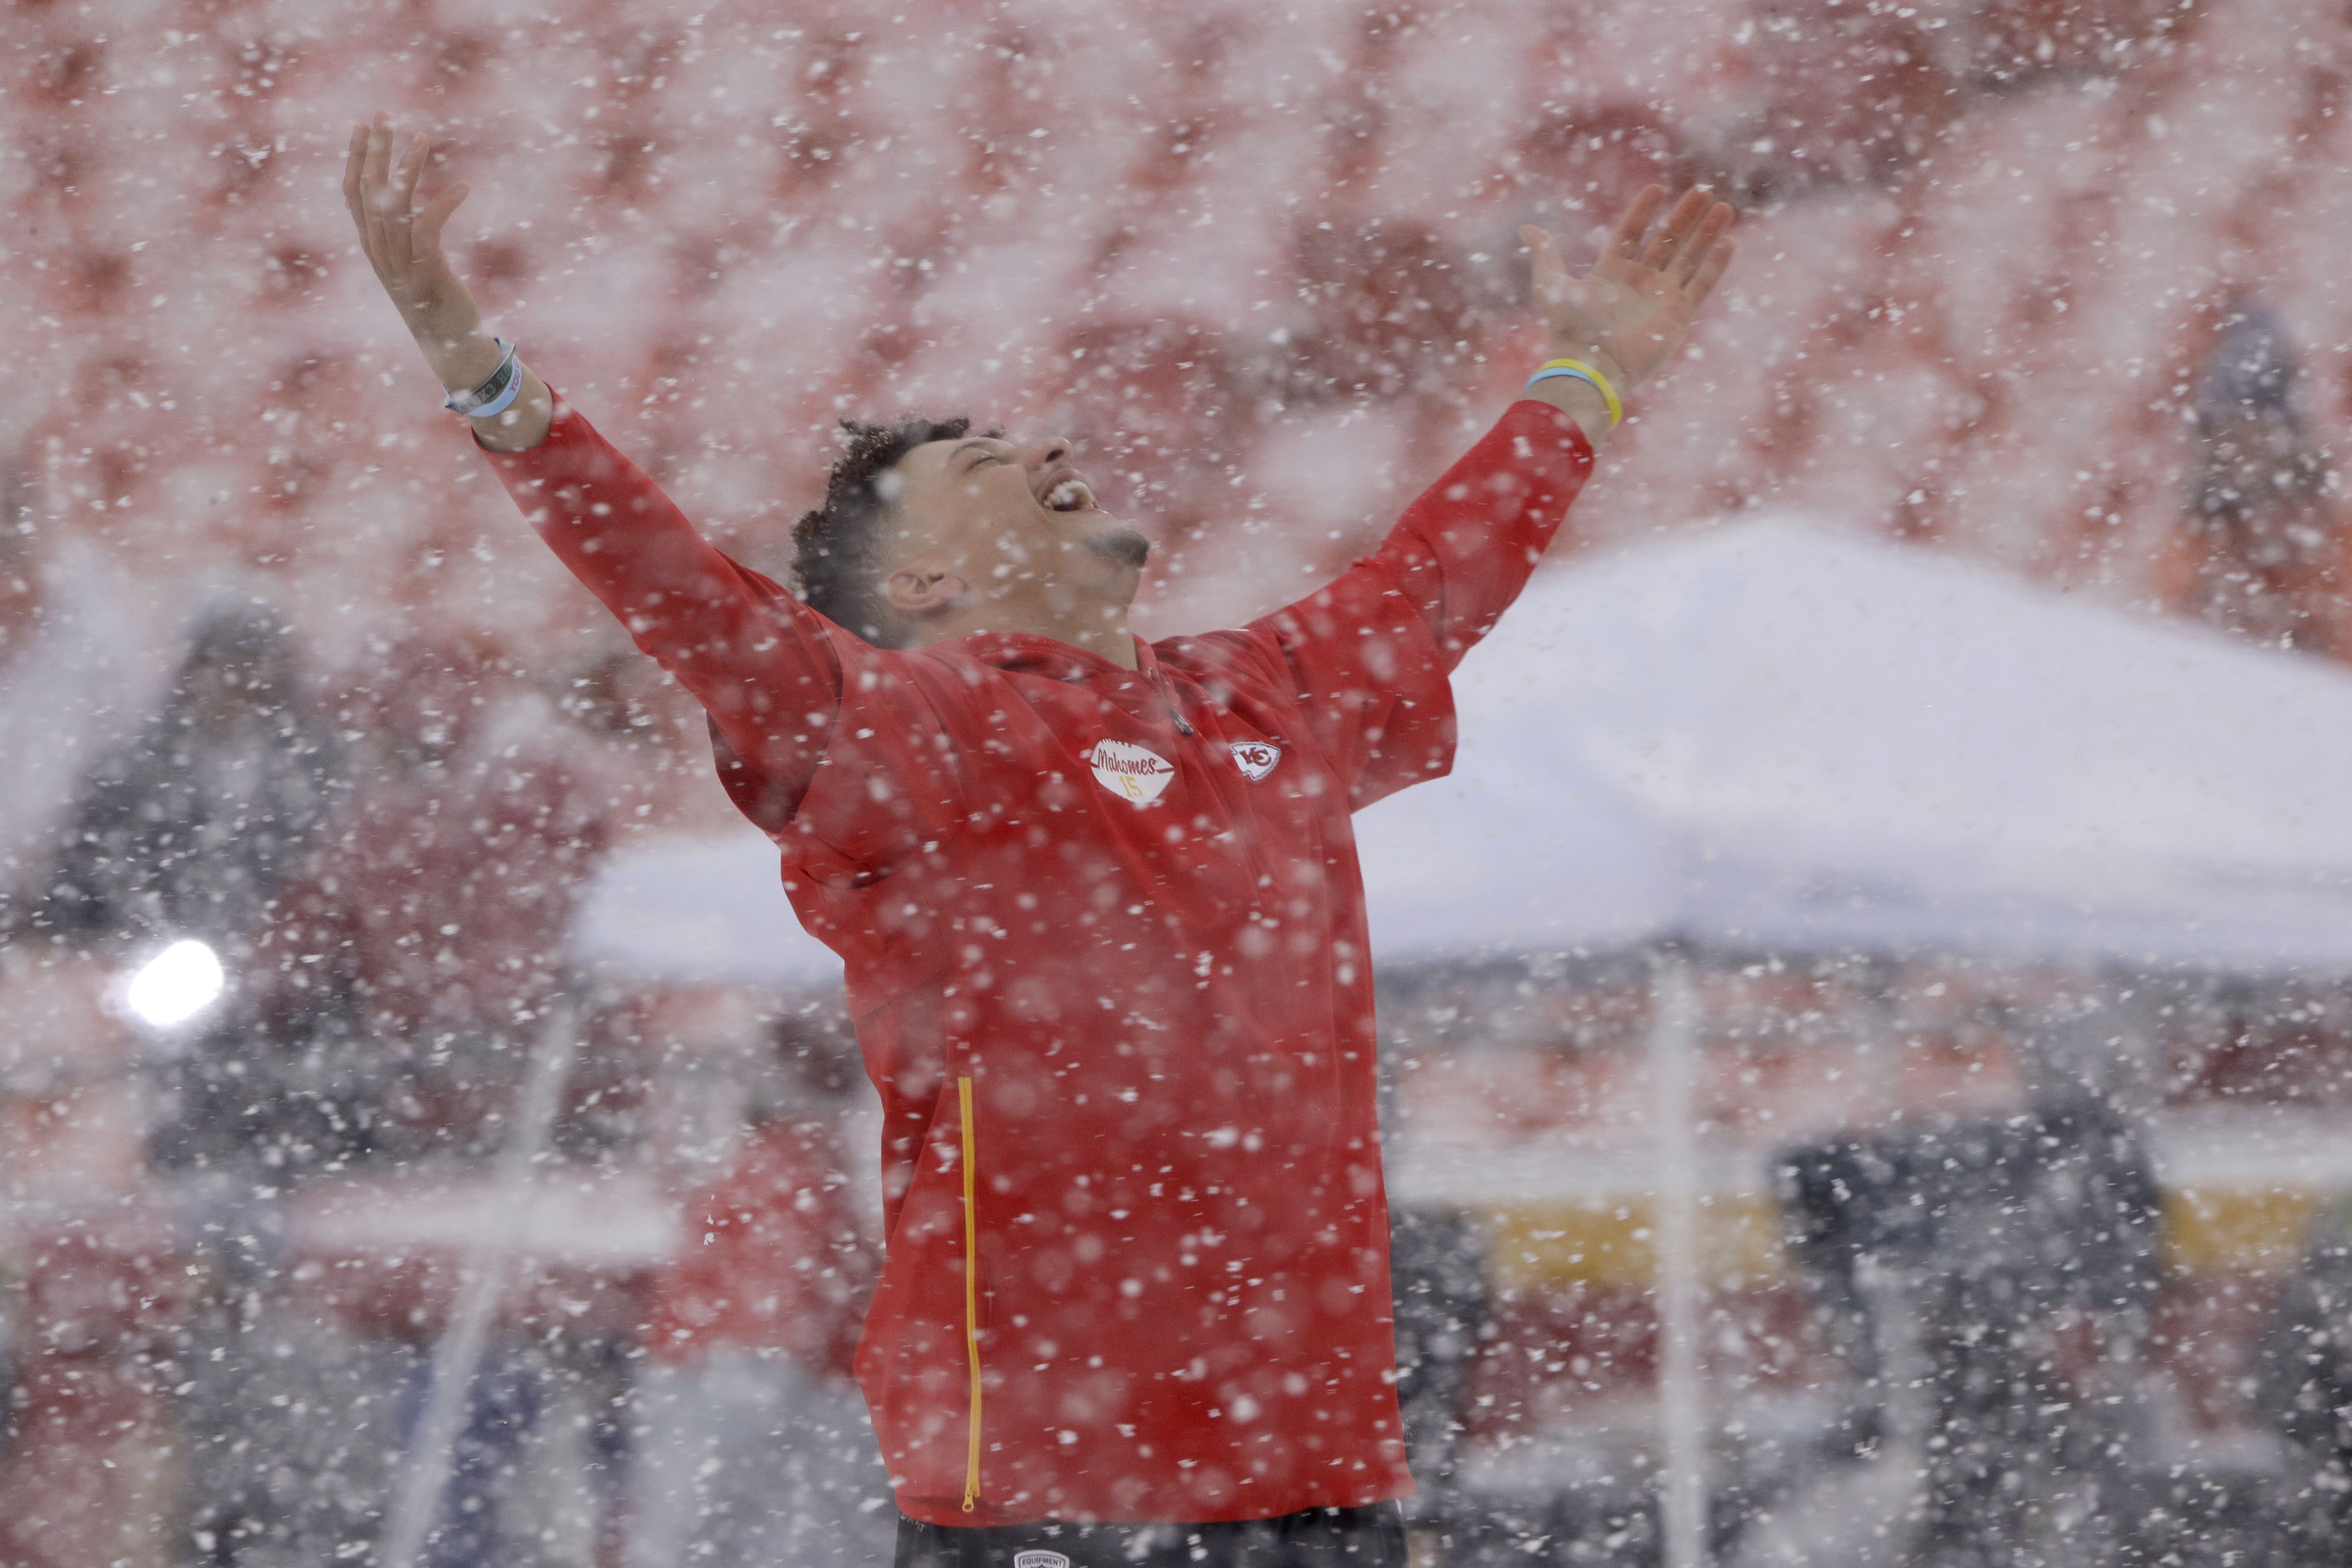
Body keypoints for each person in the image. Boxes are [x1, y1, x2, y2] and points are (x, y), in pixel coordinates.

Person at [343, 110, 1735, 1566]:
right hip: (1057, 1487)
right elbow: (688, 600)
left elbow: (1441, 574)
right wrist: (491, 381)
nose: (1049, 448)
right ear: (929, 573)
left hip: (1319, 1474)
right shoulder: (912, 734)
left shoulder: (1262, 696)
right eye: (992, 458)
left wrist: (1585, 375)